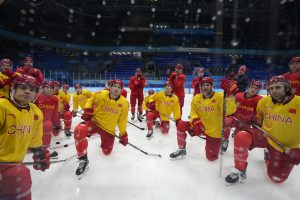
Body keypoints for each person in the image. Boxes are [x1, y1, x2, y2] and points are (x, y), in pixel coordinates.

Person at [225, 76, 300, 185]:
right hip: (265, 135)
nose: (274, 91)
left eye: (278, 87)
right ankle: (240, 170)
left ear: (287, 88)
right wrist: (255, 120)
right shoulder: (264, 102)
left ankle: (268, 157)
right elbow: (259, 119)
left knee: (276, 178)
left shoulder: (298, 103)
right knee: (242, 136)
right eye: (271, 88)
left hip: (285, 146)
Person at [0, 75, 50, 200]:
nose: (28, 91)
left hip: (13, 163)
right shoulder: (2, 107)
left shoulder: (36, 112)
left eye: (32, 89)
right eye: (23, 87)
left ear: (36, 94)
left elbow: (34, 139)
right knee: (19, 175)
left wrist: (39, 155)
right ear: (13, 89)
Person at [170, 77, 237, 161]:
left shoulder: (220, 96)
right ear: (200, 87)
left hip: (214, 131)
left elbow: (229, 111)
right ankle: (181, 149)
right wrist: (195, 120)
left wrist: (230, 96)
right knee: (180, 124)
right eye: (203, 85)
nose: (205, 87)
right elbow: (193, 112)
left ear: (212, 86)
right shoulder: (196, 98)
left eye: (208, 85)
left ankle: (224, 140)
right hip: (199, 126)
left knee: (211, 158)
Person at [73, 79, 129, 176]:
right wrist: (87, 109)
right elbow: (90, 99)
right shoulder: (101, 94)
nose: (116, 89)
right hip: (94, 123)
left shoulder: (124, 103)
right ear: (110, 87)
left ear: (121, 90)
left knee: (106, 152)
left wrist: (123, 134)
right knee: (79, 130)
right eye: (114, 86)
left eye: (119, 87)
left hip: (108, 130)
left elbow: (122, 121)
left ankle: (105, 142)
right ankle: (83, 159)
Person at [223, 80, 263, 150]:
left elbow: (259, 114)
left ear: (258, 90)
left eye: (256, 88)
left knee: (240, 138)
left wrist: (255, 120)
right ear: (248, 87)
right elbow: (230, 106)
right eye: (252, 87)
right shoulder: (238, 95)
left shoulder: (260, 100)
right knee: (226, 121)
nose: (253, 89)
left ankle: (237, 132)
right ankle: (224, 140)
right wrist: (229, 95)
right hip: (235, 119)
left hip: (246, 123)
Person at [34, 81, 60, 158]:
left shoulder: (55, 99)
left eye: (50, 88)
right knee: (47, 125)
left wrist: (56, 123)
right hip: (36, 122)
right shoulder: (37, 97)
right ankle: (45, 148)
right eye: (47, 87)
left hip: (47, 122)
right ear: (43, 88)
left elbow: (55, 113)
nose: (49, 90)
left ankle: (42, 144)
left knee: (55, 132)